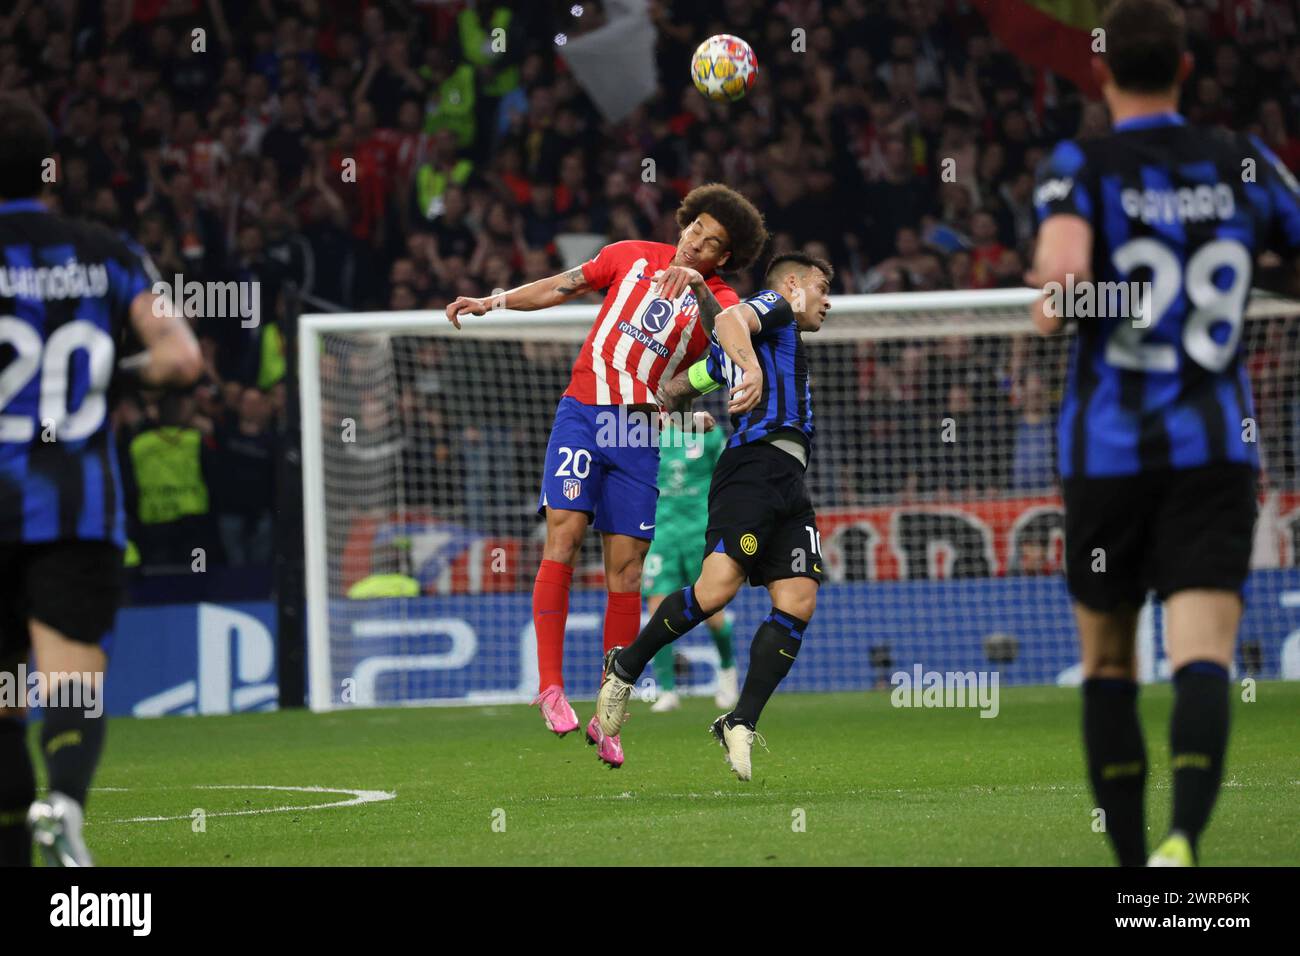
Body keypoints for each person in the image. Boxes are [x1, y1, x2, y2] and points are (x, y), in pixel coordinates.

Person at [1026, 0, 1300, 866]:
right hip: (1214, 451)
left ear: (1104, 73)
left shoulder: (1082, 163)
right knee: (1203, 656)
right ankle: (1186, 837)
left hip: (1106, 453)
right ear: (1187, 69)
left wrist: (1053, 302)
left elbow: (1064, 288)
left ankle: (1136, 867)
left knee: (1109, 665)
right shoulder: (1241, 159)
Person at [444, 184, 767, 768]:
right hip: (584, 413)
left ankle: (609, 715)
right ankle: (548, 686)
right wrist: (491, 302)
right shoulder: (630, 254)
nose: (695, 241)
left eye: (711, 242)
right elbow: (561, 286)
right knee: (563, 534)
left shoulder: (718, 298)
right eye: (695, 227)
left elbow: (733, 343)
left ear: (723, 258)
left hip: (640, 433)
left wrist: (721, 326)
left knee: (627, 569)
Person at [0, 97, 202, 867]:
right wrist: (110, 377)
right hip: (76, 509)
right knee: (71, 679)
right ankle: (65, 804)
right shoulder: (106, 251)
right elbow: (182, 361)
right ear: (49, 169)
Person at [593, 252, 833, 781]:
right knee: (716, 591)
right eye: (821, 287)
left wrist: (685, 411)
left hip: (789, 480)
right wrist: (738, 356)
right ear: (793, 285)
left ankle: (740, 720)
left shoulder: (734, 356)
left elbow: (673, 388)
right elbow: (728, 319)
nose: (826, 300)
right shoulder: (776, 307)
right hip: (752, 467)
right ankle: (626, 665)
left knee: (798, 599)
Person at [641, 410, 737, 714]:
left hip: (700, 530)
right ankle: (667, 690)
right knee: (657, 609)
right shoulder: (649, 430)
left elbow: (726, 479)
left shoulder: (709, 431)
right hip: (663, 532)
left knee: (711, 609)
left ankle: (727, 673)